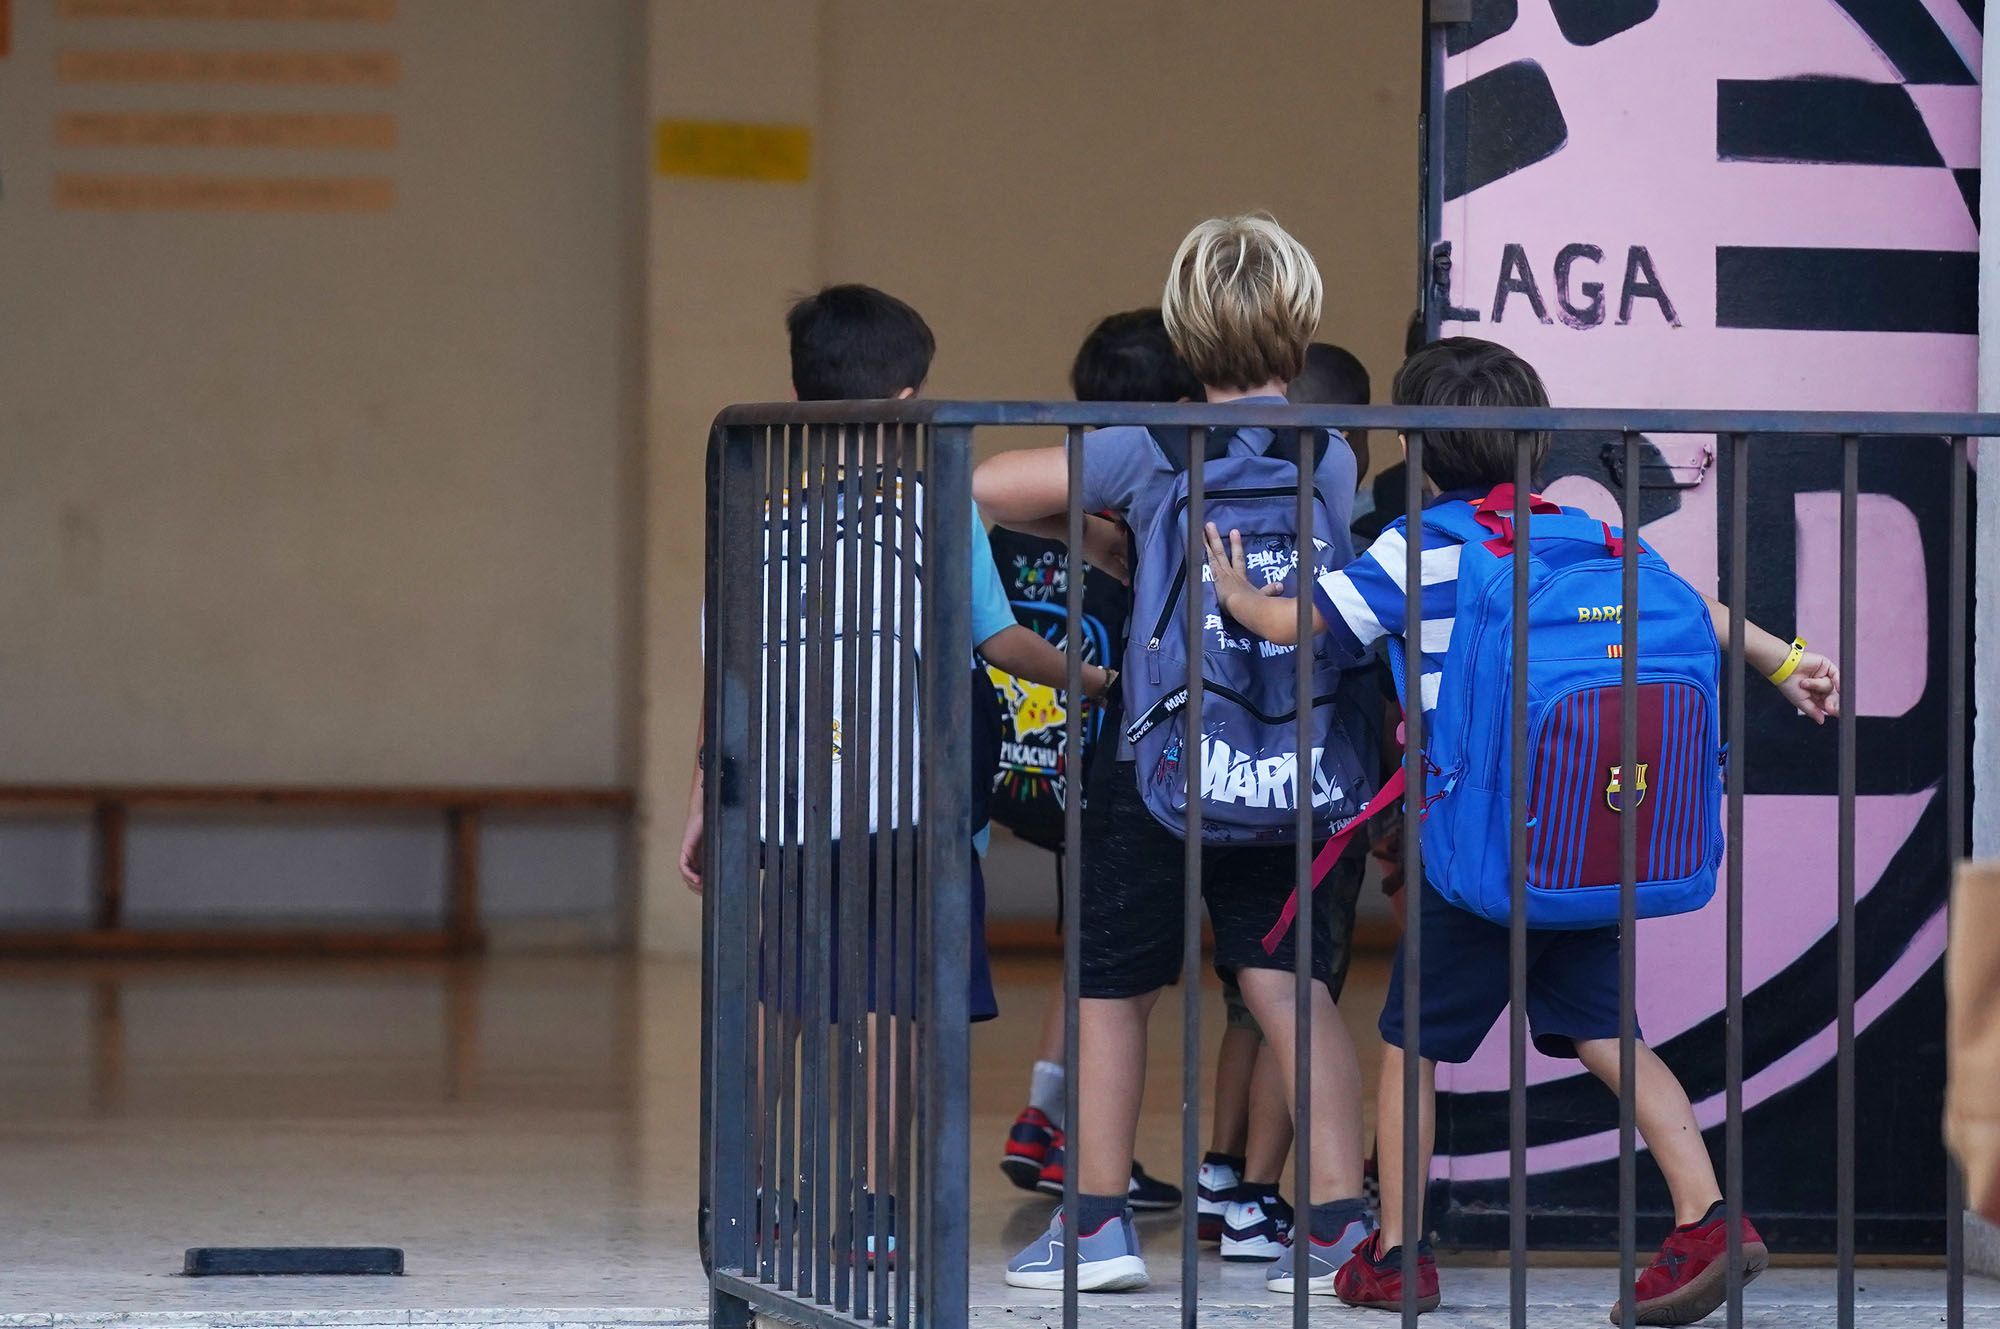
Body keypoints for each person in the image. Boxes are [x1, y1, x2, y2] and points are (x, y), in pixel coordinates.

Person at [1201, 336, 1840, 1323]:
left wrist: (1235, 590)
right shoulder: (1593, 539)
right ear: (1537, 447)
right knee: (1606, 1034)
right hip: (1584, 846)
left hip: (1472, 856)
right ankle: (1706, 1214)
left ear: (1413, 451)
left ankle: (1395, 1255)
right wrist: (1785, 661)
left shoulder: (1418, 545)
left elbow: (1297, 625)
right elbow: (1697, 611)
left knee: (1410, 1049)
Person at [678, 283, 1120, 1259]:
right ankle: (876, 1208)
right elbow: (999, 641)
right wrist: (1098, 676)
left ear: (800, 395)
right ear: (913, 394)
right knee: (897, 1009)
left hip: (790, 813)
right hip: (909, 817)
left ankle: (750, 1194)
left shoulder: (760, 521)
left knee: (778, 1003)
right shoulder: (930, 512)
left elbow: (725, 673)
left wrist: (704, 795)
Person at [978, 215, 1376, 1294]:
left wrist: (1106, 527)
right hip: (1290, 757)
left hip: (1156, 761)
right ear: (1298, 332)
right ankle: (1339, 1222)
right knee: (1290, 984)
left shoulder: (1146, 445)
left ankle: (1099, 1230)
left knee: (1113, 987)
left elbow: (984, 488)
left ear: (1183, 335)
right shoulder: (1330, 452)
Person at [996, 309, 1197, 1217]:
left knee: (1092, 943)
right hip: (1104, 760)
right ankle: (1067, 1140)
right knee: (1118, 960)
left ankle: (1045, 1121)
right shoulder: (1159, 481)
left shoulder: (1058, 485)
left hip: (1010, 761)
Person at [1198, 339, 1384, 1263]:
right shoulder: (1372, 526)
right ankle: (1285, 1198)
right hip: (1329, 785)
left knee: (1256, 989)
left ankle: (1237, 1180)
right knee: (1295, 988)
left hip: (1225, 776)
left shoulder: (1212, 501)